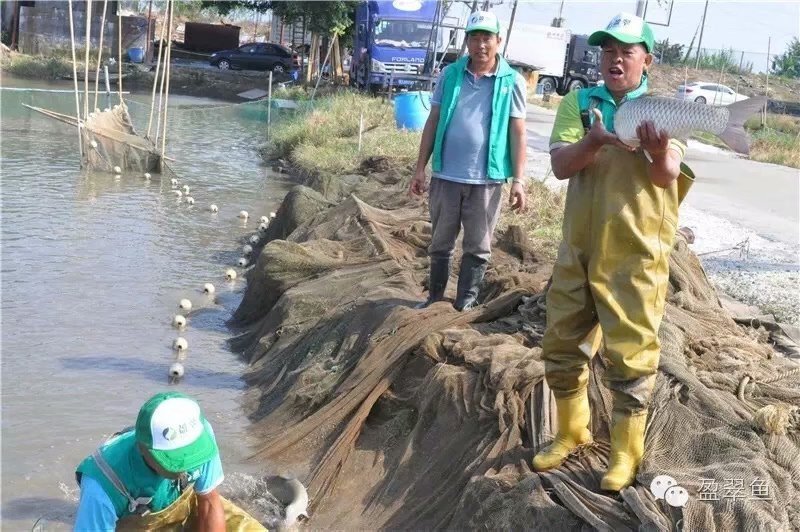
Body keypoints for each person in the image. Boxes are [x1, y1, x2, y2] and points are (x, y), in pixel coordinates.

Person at [531, 13, 695, 491]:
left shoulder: (661, 109)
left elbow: (667, 175)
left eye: (626, 51)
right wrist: (594, 139)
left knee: (632, 356)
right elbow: (561, 166)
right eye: (608, 51)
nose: (615, 59)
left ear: (647, 59)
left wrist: (658, 149)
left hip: (636, 253)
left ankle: (626, 452)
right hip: (579, 248)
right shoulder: (580, 102)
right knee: (561, 343)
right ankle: (570, 431)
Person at [409, 10, 528, 311]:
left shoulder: (511, 81)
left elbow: (518, 132)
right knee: (440, 241)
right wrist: (419, 168)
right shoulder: (450, 75)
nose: (480, 45)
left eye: (486, 38)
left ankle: (466, 301)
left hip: (486, 180)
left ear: (498, 41)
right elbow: (433, 120)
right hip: (447, 175)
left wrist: (519, 180)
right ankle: (434, 298)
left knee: (478, 245)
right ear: (467, 42)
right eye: (474, 38)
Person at [74, 392, 264, 531]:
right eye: (176, 459)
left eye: (191, 454)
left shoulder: (199, 435)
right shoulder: (102, 485)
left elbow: (208, 501)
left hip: (185, 504)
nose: (187, 466)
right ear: (143, 448)